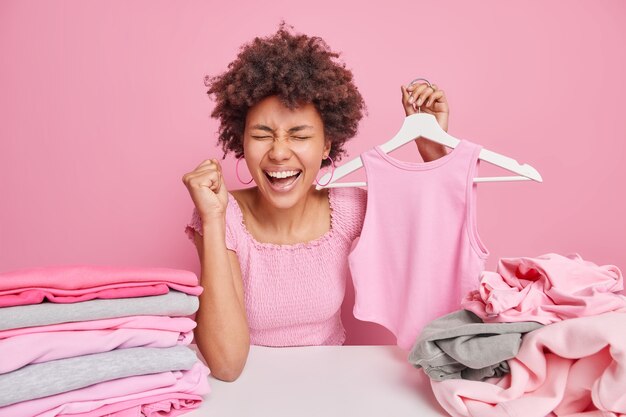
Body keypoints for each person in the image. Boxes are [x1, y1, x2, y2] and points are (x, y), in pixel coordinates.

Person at [182, 21, 450, 382]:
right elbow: (227, 365)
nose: (278, 152)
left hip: (329, 387)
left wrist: (433, 149)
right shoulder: (222, 216)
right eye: (262, 135)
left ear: (326, 145)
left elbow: (437, 245)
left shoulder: (349, 207)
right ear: (241, 141)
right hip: (243, 391)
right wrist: (212, 220)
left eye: (299, 135)